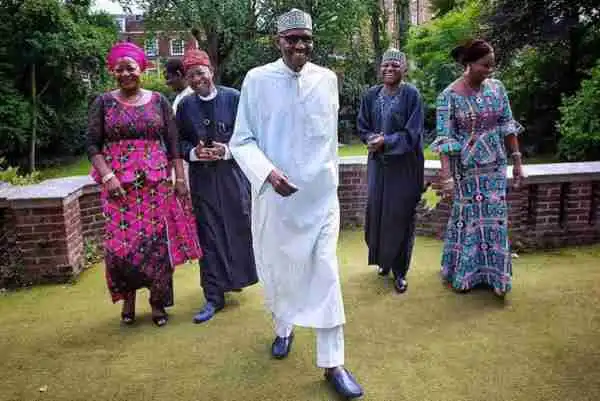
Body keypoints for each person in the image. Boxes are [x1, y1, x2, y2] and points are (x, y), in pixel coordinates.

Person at [229, 8, 363, 399]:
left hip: (320, 201)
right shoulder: (257, 80)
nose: (299, 45)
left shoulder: (327, 79)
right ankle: (283, 328)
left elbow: (329, 140)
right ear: (278, 42)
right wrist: (268, 174)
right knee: (280, 272)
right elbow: (241, 140)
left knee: (326, 273)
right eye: (292, 39)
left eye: (305, 39)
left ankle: (333, 363)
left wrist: (328, 183)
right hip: (276, 200)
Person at [87, 42, 202, 327]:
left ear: (142, 69)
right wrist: (108, 176)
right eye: (120, 69)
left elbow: (174, 143)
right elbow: (92, 144)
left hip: (156, 184)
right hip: (118, 186)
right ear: (113, 72)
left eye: (131, 68)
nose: (126, 73)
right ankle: (127, 298)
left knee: (156, 246)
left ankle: (157, 301)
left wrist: (179, 177)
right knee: (120, 247)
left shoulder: (159, 101)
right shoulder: (103, 102)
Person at [430, 39, 524, 298]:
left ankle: (497, 278)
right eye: (485, 65)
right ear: (469, 64)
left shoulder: (497, 89)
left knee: (495, 220)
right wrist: (447, 177)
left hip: (495, 165)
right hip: (467, 170)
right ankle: (464, 274)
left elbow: (507, 124)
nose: (490, 71)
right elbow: (445, 139)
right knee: (469, 221)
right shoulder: (448, 97)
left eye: (493, 66)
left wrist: (516, 162)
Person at [176, 48, 258, 324]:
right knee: (208, 236)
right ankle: (213, 296)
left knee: (238, 229)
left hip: (232, 178)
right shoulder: (185, 106)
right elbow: (180, 143)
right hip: (203, 182)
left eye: (199, 72)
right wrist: (195, 153)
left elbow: (250, 136)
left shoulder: (234, 98)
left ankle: (236, 279)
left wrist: (226, 151)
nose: (196, 78)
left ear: (210, 70)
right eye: (190, 75)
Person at [357, 48, 425, 293]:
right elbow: (362, 126)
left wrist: (387, 141)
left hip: (404, 167)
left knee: (400, 215)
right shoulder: (371, 95)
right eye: (385, 66)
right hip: (378, 166)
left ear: (403, 69)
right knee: (377, 213)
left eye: (395, 66)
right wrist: (371, 138)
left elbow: (413, 133)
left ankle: (400, 271)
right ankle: (383, 262)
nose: (389, 69)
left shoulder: (411, 95)